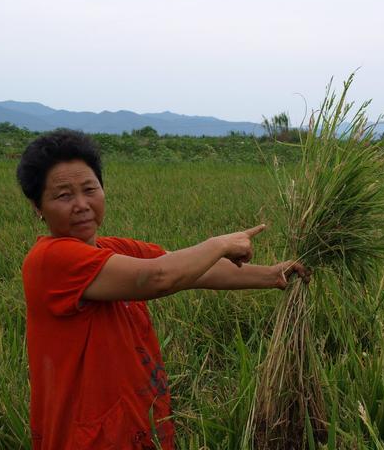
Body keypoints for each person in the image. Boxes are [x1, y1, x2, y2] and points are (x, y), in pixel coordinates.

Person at [16, 129, 311, 450]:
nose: (82, 204)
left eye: (90, 189)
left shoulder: (111, 248)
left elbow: (190, 270)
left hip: (136, 423)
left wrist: (270, 275)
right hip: (87, 436)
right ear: (37, 207)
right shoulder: (50, 260)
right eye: (63, 195)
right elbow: (157, 277)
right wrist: (221, 243)